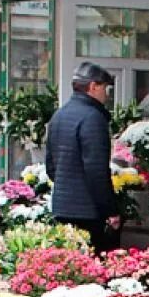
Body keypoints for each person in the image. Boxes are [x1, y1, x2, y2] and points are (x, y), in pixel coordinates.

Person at [46, 61, 120, 251]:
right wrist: (110, 210)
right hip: (88, 212)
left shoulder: (59, 115)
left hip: (62, 207)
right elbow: (96, 172)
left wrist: (67, 186)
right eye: (105, 88)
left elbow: (51, 166)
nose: (107, 94)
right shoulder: (93, 118)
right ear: (93, 86)